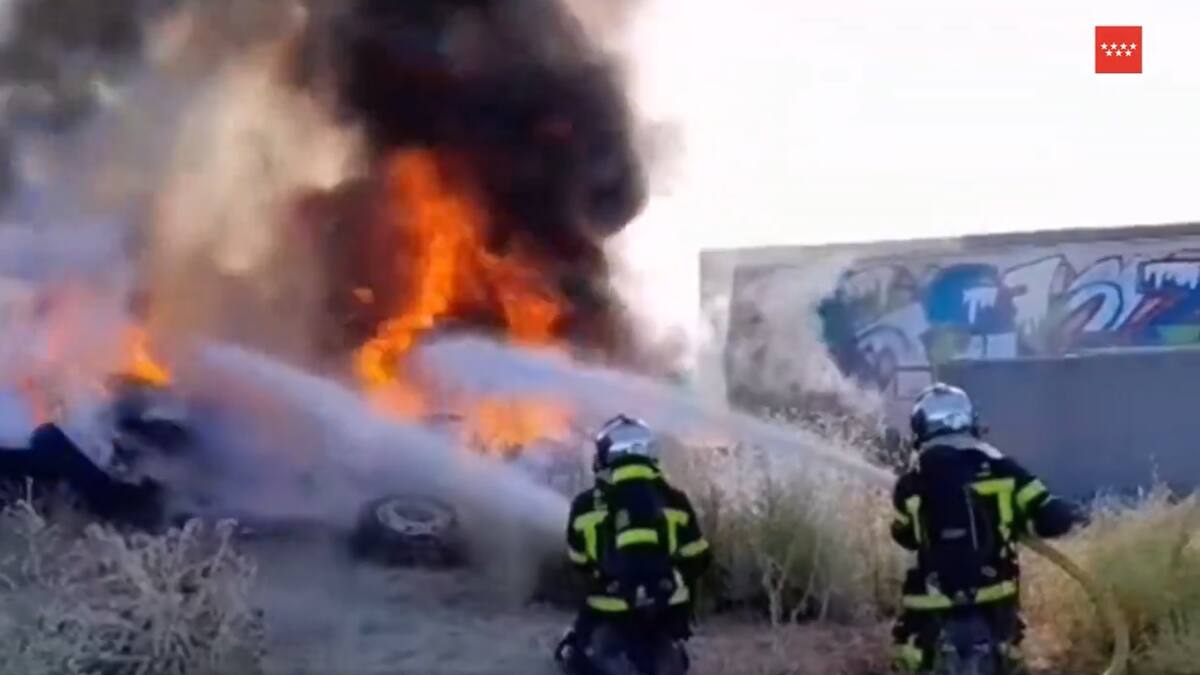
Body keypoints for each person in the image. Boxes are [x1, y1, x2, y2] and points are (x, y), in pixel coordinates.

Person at [891, 383, 1083, 673]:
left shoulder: (911, 482)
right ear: (971, 421)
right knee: (1009, 659)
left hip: (929, 603)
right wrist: (1069, 512)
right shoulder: (1003, 469)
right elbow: (1049, 517)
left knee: (911, 658)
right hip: (993, 596)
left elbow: (903, 534)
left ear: (919, 428)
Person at [555, 415, 711, 674]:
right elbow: (699, 558)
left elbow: (578, 562)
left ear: (607, 455)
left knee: (579, 659)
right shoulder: (675, 501)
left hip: (608, 615)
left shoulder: (585, 505)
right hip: (664, 615)